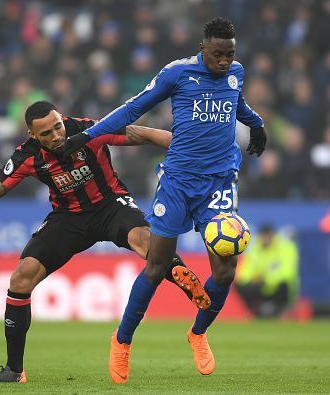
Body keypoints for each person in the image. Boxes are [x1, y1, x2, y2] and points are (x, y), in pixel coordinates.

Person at [62, 18, 266, 383]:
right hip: (178, 183)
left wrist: (258, 125)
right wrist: (89, 136)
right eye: (218, 54)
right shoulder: (177, 74)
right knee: (156, 267)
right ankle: (122, 341)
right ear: (202, 48)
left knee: (225, 270)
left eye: (230, 54)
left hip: (219, 182)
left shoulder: (236, 72)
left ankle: (198, 333)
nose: (224, 61)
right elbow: (133, 108)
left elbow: (239, 104)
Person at [0, 100, 209, 383]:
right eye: (47, 133)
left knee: (143, 239)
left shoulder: (88, 130)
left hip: (111, 206)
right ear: (32, 135)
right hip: (68, 218)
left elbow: (142, 134)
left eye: (58, 127)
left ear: (62, 119)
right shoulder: (26, 156)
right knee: (20, 279)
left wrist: (190, 150)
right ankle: (14, 370)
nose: (57, 135)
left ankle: (185, 281)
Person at [235, 226, 299, 317]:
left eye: (268, 236)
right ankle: (257, 310)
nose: (265, 239)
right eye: (263, 236)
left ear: (273, 236)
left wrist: (265, 278)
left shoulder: (286, 248)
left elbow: (288, 273)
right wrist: (252, 279)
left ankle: (280, 310)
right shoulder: (255, 249)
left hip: (278, 288)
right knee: (239, 284)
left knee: (284, 285)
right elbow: (243, 273)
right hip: (261, 287)